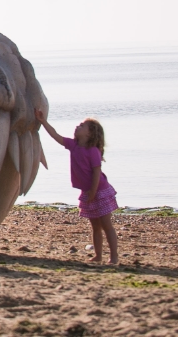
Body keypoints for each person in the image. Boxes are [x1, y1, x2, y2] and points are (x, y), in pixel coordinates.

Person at [38, 108, 118, 264]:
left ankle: (114, 256)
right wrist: (43, 121)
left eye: (82, 126)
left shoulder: (92, 151)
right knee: (95, 225)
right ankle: (98, 255)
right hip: (88, 191)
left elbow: (96, 173)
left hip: (100, 190)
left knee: (106, 224)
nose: (77, 127)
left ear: (89, 133)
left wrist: (93, 192)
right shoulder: (73, 145)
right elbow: (56, 136)